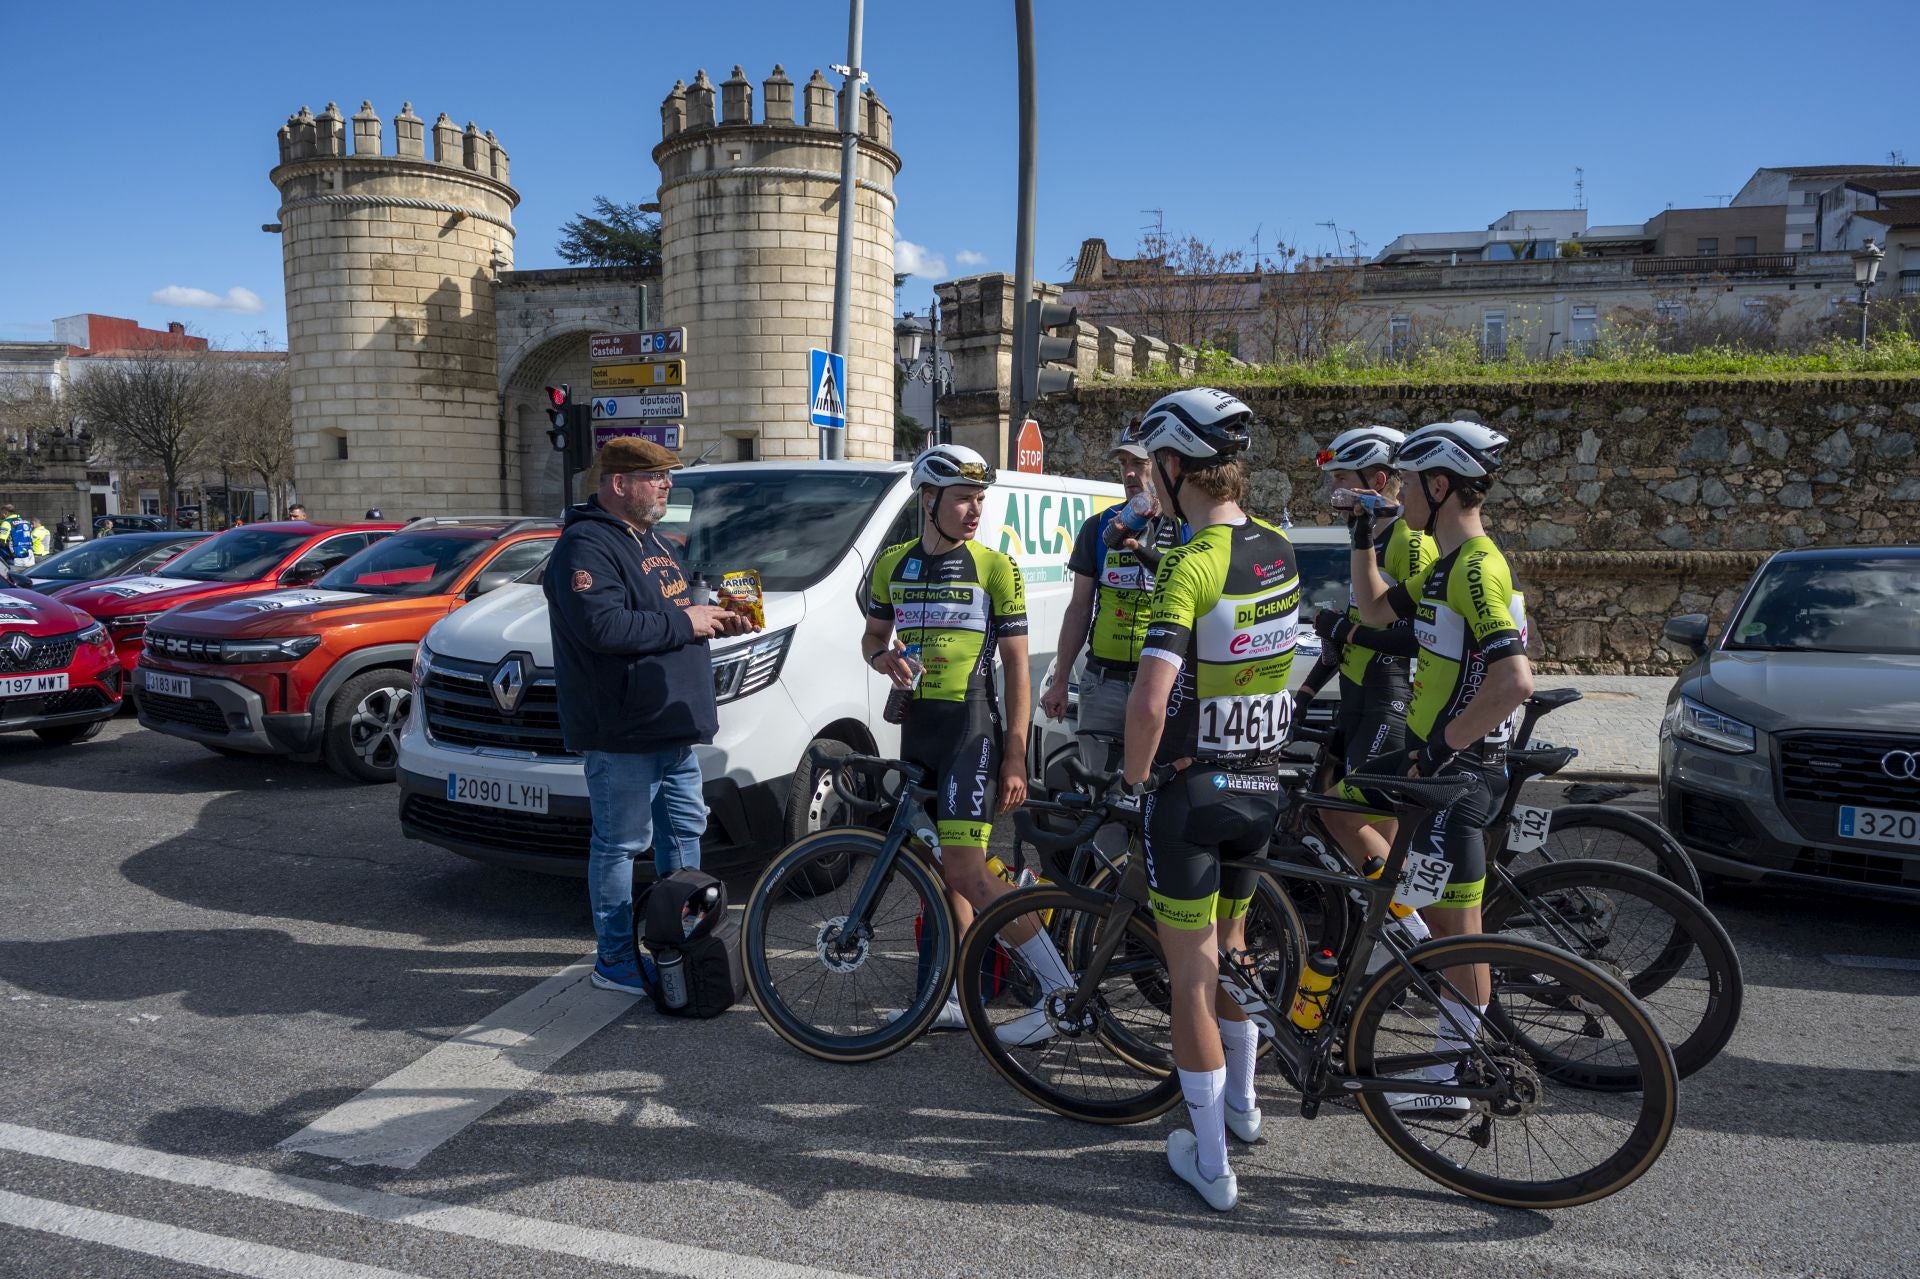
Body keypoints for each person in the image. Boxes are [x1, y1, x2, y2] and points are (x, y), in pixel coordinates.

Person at [1121, 387, 1300, 1212]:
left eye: (1155, 465)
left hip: (1192, 792)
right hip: (1261, 782)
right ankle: (1246, 1106)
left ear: (1176, 464)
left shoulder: (1190, 563)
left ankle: (1214, 1161)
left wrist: (1131, 777)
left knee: (1190, 977)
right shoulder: (1278, 546)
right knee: (1233, 952)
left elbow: (1151, 702)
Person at [1345, 419, 1534, 1116]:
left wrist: (1444, 744)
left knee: (1463, 931)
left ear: (1441, 484)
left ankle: (1456, 1075)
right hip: (1432, 764)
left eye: (1410, 477)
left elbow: (1516, 679)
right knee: (1340, 809)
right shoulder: (1444, 565)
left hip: (1456, 772)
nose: (1400, 488)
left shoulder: (1478, 566)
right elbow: (1372, 607)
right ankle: (1415, 966)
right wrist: (1364, 533)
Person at [864, 443, 1074, 1035]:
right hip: (917, 732)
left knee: (969, 873)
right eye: (963, 498)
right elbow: (873, 636)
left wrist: (1015, 752)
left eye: (980, 498)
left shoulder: (994, 566)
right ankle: (956, 994)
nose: (975, 509)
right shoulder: (894, 564)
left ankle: (1059, 996)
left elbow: (1017, 667)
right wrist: (883, 658)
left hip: (970, 730)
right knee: (946, 870)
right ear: (928, 500)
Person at [544, 437, 757, 995]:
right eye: (657, 477)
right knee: (620, 844)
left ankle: (682, 942)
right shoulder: (585, 545)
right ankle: (613, 959)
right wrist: (689, 622)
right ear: (619, 483)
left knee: (684, 835)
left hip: (670, 722)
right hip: (623, 729)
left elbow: (670, 612)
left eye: (668, 477)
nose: (668, 486)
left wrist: (716, 616)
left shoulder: (655, 542)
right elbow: (604, 628)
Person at [1293, 428, 1432, 893]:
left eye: (1341, 479)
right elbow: (1352, 632)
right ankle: (1387, 922)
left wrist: (1346, 629)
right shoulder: (1369, 538)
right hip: (1358, 699)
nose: (1333, 491)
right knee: (1362, 829)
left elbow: (1423, 636)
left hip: (1391, 700)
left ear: (1376, 480)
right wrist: (1308, 690)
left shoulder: (1409, 541)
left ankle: (1408, 923)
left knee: (1347, 816)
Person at [1040, 419, 1183, 779]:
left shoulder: (1181, 527)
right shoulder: (1098, 527)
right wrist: (1060, 680)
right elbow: (1079, 608)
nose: (1130, 474)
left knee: (1154, 788)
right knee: (1101, 794)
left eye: (1139, 463)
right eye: (1123, 465)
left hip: (1161, 682)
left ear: (1162, 465)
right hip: (1102, 681)